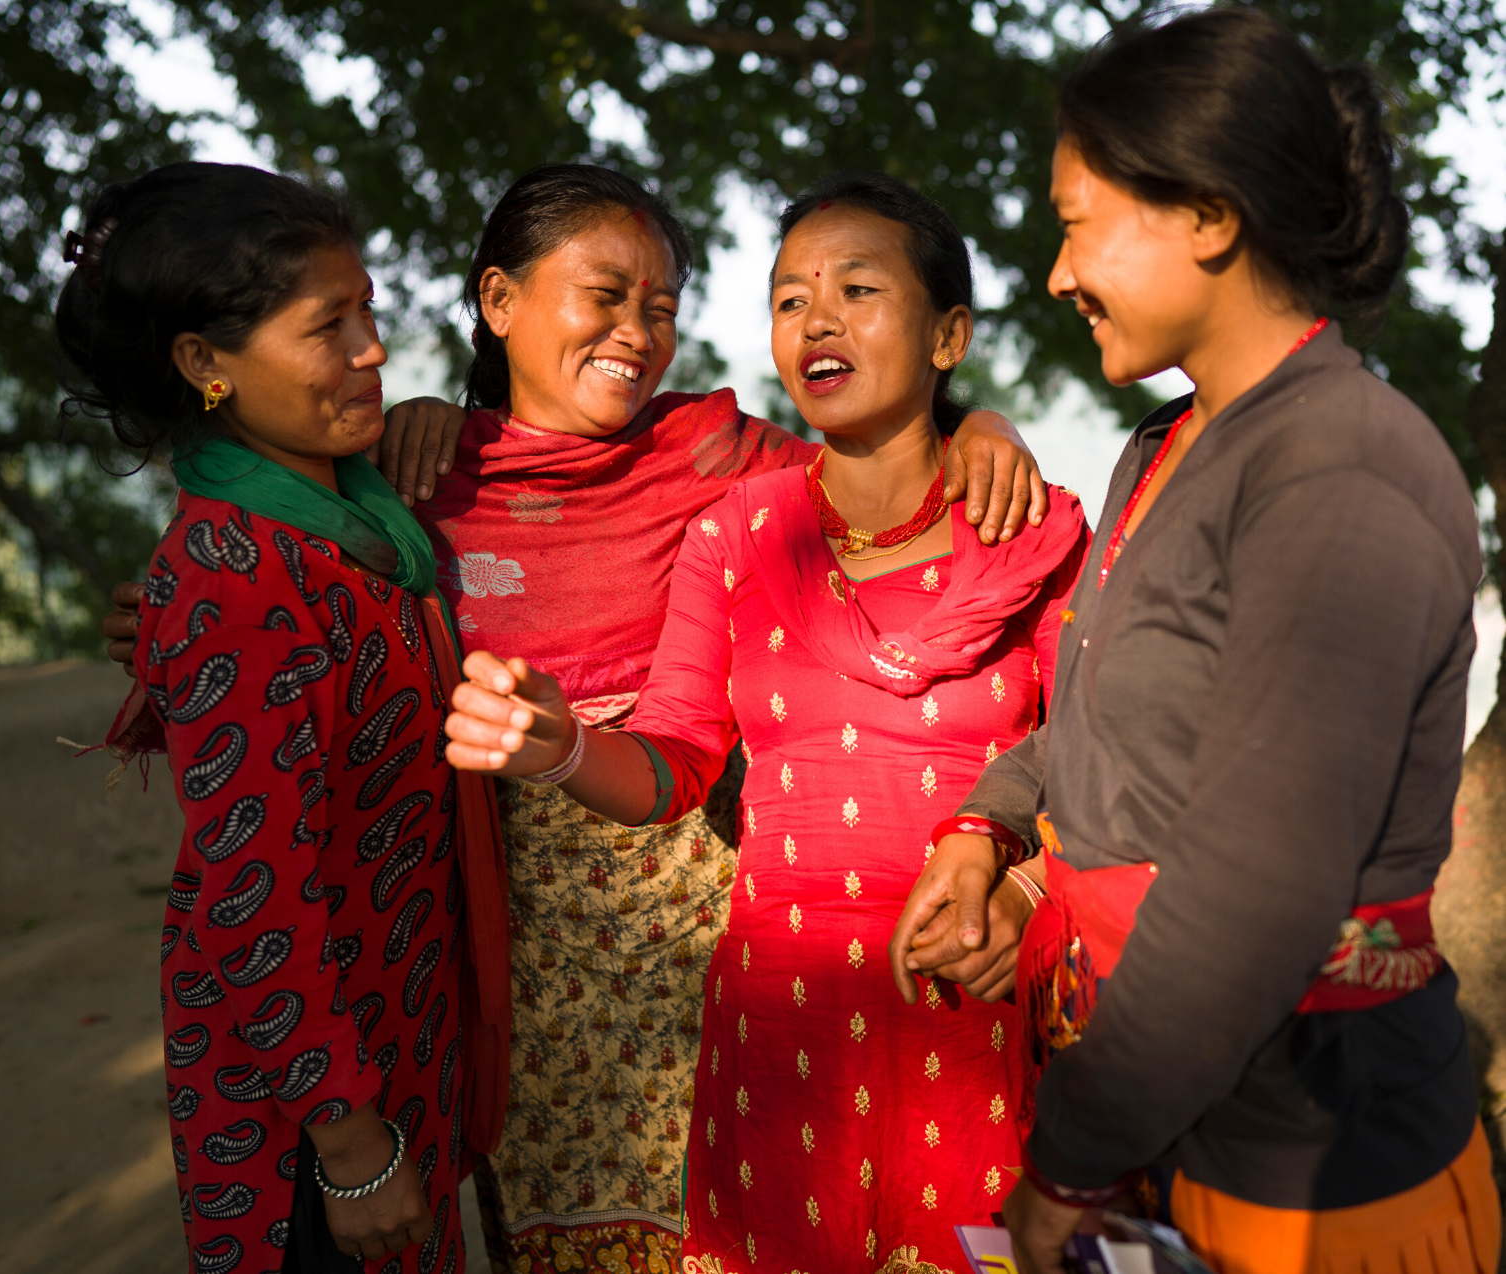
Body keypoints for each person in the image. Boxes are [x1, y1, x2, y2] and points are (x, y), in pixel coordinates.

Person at [101, 163, 1049, 1273]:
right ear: (499, 303)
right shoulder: (413, 480)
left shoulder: (715, 460)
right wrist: (170, 624)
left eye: (661, 307)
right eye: (604, 294)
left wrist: (978, 419)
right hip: (516, 984)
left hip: (713, 970)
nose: (637, 333)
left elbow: (881, 461)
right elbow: (281, 663)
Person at [889, 12, 1503, 1274]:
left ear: (1209, 215)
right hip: (1173, 1131)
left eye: (1077, 222)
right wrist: (987, 822)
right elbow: (1111, 716)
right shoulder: (1164, 451)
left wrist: (1071, 1150)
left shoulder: (1341, 471)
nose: (1057, 274)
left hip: (1317, 1164)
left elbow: (1251, 891)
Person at [442, 171, 1091, 1274]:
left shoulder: (1032, 531)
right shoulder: (740, 533)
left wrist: (1025, 896)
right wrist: (560, 748)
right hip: (780, 1038)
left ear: (949, 334)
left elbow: (1110, 752)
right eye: (789, 299)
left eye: (855, 289)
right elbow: (674, 764)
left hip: (983, 1009)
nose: (816, 320)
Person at [61, 161, 507, 1273]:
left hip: (396, 1045)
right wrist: (350, 1141)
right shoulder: (235, 573)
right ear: (206, 364)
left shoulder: (354, 528)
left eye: (368, 312)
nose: (371, 349)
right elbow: (251, 894)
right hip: (305, 1112)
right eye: (327, 325)